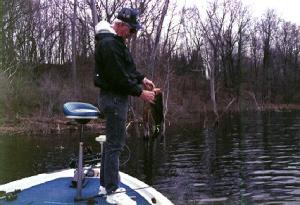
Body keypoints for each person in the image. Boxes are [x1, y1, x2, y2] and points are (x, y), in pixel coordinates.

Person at [94, 8, 155, 205]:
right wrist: (140, 92)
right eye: (131, 30)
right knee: (115, 145)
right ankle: (113, 191)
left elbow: (127, 68)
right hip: (113, 99)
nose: (132, 35)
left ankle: (105, 185)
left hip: (115, 98)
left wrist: (142, 79)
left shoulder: (116, 42)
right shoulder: (110, 45)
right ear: (120, 25)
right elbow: (118, 77)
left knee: (111, 143)